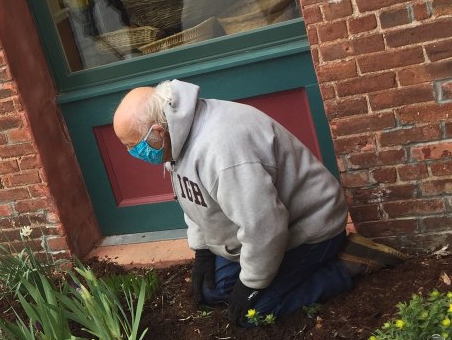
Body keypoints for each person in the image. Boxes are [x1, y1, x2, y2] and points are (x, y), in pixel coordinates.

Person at [113, 80, 405, 325]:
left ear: (157, 133)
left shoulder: (222, 151)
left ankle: (346, 263)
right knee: (213, 292)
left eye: (133, 145)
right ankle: (288, 274)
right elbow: (195, 200)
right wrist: (202, 252)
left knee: (253, 312)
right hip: (268, 229)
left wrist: (251, 285)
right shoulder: (174, 137)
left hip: (308, 228)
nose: (131, 153)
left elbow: (265, 227)